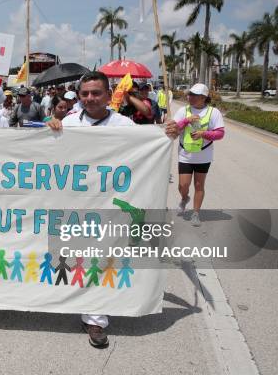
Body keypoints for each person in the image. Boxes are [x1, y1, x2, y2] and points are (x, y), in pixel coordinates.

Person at [47, 71, 178, 348]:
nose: (90, 98)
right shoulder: (68, 123)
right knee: (72, 257)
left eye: (96, 93)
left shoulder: (124, 125)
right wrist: (51, 128)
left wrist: (165, 133)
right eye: (85, 94)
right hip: (75, 205)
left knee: (99, 256)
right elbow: (48, 154)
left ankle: (95, 319)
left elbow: (148, 146)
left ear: (109, 96)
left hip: (108, 205)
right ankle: (75, 301)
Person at [167, 83, 225, 226]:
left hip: (204, 156)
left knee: (199, 186)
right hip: (185, 155)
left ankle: (195, 213)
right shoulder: (183, 110)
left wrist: (203, 134)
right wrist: (186, 120)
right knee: (183, 185)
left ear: (204, 98)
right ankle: (184, 198)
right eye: (190, 94)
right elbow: (174, 129)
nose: (190, 97)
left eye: (194, 95)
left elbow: (220, 134)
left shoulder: (213, 112)